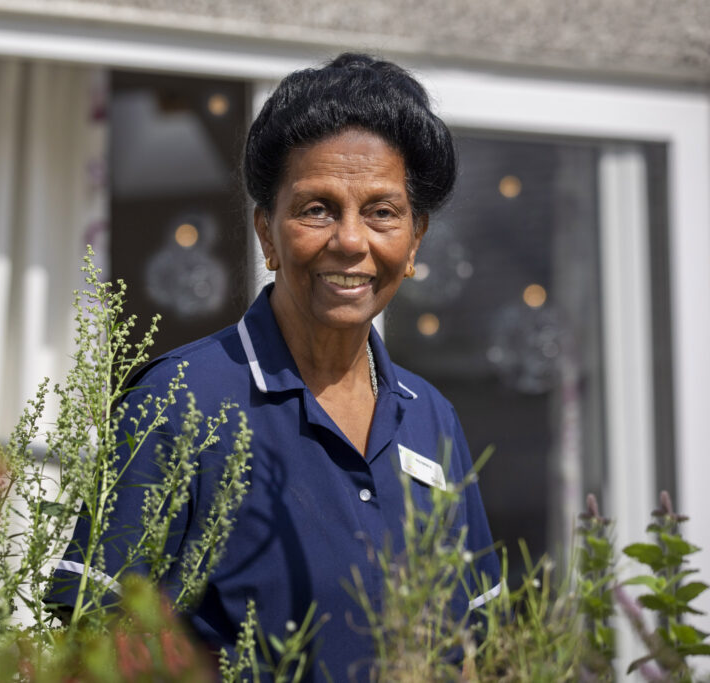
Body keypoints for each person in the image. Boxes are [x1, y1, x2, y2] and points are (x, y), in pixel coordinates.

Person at [49, 53, 500, 679]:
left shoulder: (432, 420)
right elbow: (95, 641)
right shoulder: (180, 401)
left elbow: (484, 646)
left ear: (415, 239)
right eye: (317, 209)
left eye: (382, 212)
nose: (350, 240)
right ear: (266, 233)